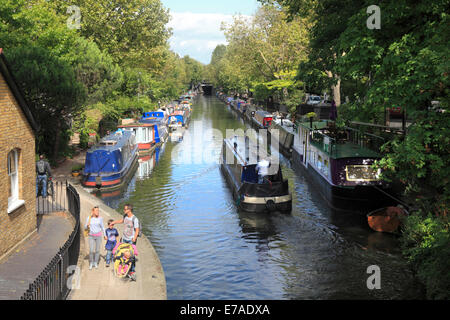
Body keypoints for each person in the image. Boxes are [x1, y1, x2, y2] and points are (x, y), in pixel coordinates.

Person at [111, 204, 140, 277]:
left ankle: (132, 271)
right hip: (124, 238)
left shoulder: (135, 219)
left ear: (129, 210)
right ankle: (122, 268)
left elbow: (137, 230)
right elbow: (122, 221)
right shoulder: (125, 216)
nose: (124, 210)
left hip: (131, 240)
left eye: (125, 209)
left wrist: (134, 238)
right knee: (122, 254)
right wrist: (114, 222)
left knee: (131, 255)